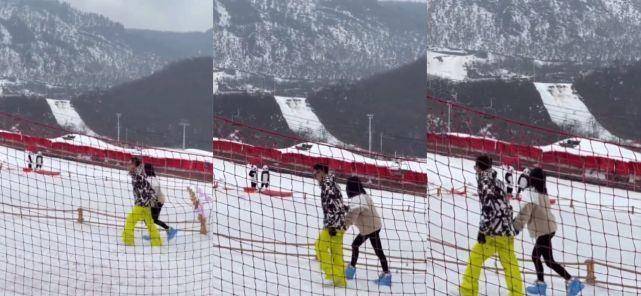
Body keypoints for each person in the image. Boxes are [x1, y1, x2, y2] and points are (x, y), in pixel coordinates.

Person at [513, 168, 584, 296]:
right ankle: (567, 282)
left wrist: (515, 227)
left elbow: (525, 213)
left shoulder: (532, 195)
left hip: (544, 231)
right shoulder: (542, 192)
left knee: (536, 257)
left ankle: (555, 283)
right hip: (549, 229)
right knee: (548, 260)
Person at [460, 155, 523, 296]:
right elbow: (505, 205)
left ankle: (467, 291)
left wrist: (483, 231)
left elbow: (489, 208)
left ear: (479, 167)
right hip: (506, 231)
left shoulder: (484, 181)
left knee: (475, 259)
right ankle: (517, 293)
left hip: (493, 233)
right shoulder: (498, 181)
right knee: (510, 265)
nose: (475, 169)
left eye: (476, 166)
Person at [344, 176, 391, 286]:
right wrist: (345, 208)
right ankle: (351, 269)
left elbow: (354, 213)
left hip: (371, 229)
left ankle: (386, 275)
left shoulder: (360, 199)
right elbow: (356, 210)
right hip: (371, 227)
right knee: (358, 246)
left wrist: (343, 227)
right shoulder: (362, 196)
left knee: (376, 250)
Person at [313, 163, 348, 287]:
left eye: (316, 173)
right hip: (340, 224)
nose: (315, 176)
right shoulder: (332, 183)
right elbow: (340, 204)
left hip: (334, 225)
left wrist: (332, 225)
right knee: (336, 252)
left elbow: (333, 205)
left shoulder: (327, 185)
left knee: (319, 246)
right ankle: (340, 279)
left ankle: (332, 275)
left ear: (322, 172)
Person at [122, 157, 162, 247]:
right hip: (145, 204)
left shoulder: (138, 176)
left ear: (135, 166)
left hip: (141, 205)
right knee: (150, 223)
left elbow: (145, 190)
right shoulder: (138, 175)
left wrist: (143, 202)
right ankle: (157, 242)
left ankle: (128, 241)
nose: (128, 165)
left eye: (130, 163)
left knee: (130, 220)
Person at [142, 164, 178, 241]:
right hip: (156, 200)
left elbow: (153, 193)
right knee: (148, 219)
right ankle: (153, 233)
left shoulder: (151, 180)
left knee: (152, 219)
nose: (143, 171)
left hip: (157, 201)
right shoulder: (150, 178)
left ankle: (169, 230)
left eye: (143, 169)